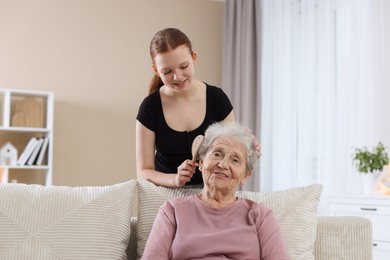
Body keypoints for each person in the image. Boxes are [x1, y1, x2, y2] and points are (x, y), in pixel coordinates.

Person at [141, 122, 290, 260]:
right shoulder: (172, 211)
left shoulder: (260, 216)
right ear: (201, 163)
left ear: (245, 175)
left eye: (235, 160)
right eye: (217, 154)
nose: (223, 164)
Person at [136, 28, 234, 188]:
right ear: (156, 70)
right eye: (167, 71)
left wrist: (248, 147)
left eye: (184, 66)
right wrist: (174, 180)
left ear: (194, 58)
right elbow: (143, 172)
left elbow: (232, 151)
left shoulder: (217, 99)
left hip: (213, 194)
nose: (178, 77)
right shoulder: (149, 108)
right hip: (166, 196)